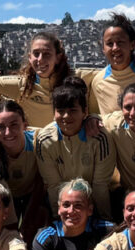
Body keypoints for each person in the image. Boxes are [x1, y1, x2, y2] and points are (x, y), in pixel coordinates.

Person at [36, 77, 117, 220]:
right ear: (54, 113)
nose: (66, 116)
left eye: (73, 110)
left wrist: (104, 220)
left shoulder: (99, 137)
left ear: (85, 111)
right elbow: (54, 185)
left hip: (95, 203)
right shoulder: (45, 140)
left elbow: (100, 185)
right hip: (64, 205)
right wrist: (59, 220)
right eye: (60, 111)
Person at [81, 13, 135, 116]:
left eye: (120, 42)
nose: (115, 48)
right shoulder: (99, 82)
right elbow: (97, 116)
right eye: (110, 44)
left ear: (132, 45)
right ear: (103, 48)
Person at [0, 100, 48, 242]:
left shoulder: (39, 142)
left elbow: (41, 181)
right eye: (1, 127)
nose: (8, 132)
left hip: (34, 193)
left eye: (14, 125)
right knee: (7, 235)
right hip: (7, 195)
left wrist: (27, 222)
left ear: (25, 124)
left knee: (35, 229)